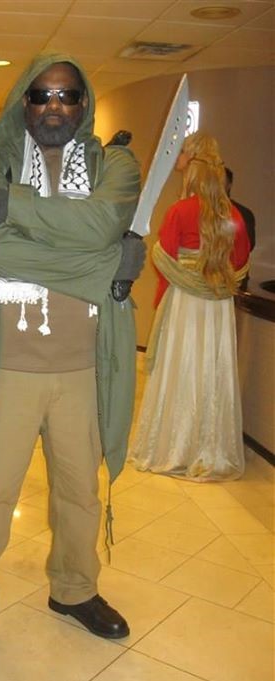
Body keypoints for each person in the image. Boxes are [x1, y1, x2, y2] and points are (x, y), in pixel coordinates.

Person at [0, 53, 145, 670]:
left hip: (83, 366)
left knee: (80, 494)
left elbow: (104, 223)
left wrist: (16, 210)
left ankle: (75, 590)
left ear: (83, 104)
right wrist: (101, 264)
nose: (55, 106)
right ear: (23, 102)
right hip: (6, 365)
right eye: (42, 95)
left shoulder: (114, 164)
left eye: (67, 96)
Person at [128, 132, 251, 482]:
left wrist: (166, 295)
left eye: (183, 153)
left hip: (184, 303)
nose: (178, 158)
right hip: (218, 307)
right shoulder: (234, 216)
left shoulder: (180, 211)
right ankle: (210, 448)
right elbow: (241, 261)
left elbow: (164, 256)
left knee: (179, 368)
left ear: (193, 164)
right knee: (212, 371)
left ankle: (173, 446)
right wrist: (215, 278)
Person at [225, 166, 255, 291]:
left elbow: (249, 245)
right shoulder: (200, 211)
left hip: (233, 277)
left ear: (229, 185)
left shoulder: (242, 213)